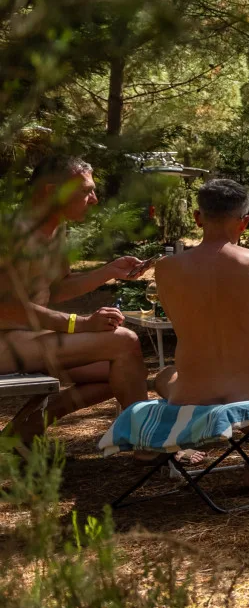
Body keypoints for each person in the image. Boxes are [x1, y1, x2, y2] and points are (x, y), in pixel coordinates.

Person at [151, 178, 249, 484]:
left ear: (198, 217)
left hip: (193, 397)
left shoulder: (166, 268)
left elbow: (176, 319)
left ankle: (188, 445)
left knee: (162, 377)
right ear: (244, 222)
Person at [1, 156, 150, 440]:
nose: (94, 199)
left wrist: (109, 271)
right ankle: (148, 444)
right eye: (85, 191)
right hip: (5, 340)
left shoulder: (55, 229)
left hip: (28, 338)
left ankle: (24, 429)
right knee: (124, 341)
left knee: (126, 368)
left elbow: (55, 288)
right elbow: (7, 307)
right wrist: (78, 323)